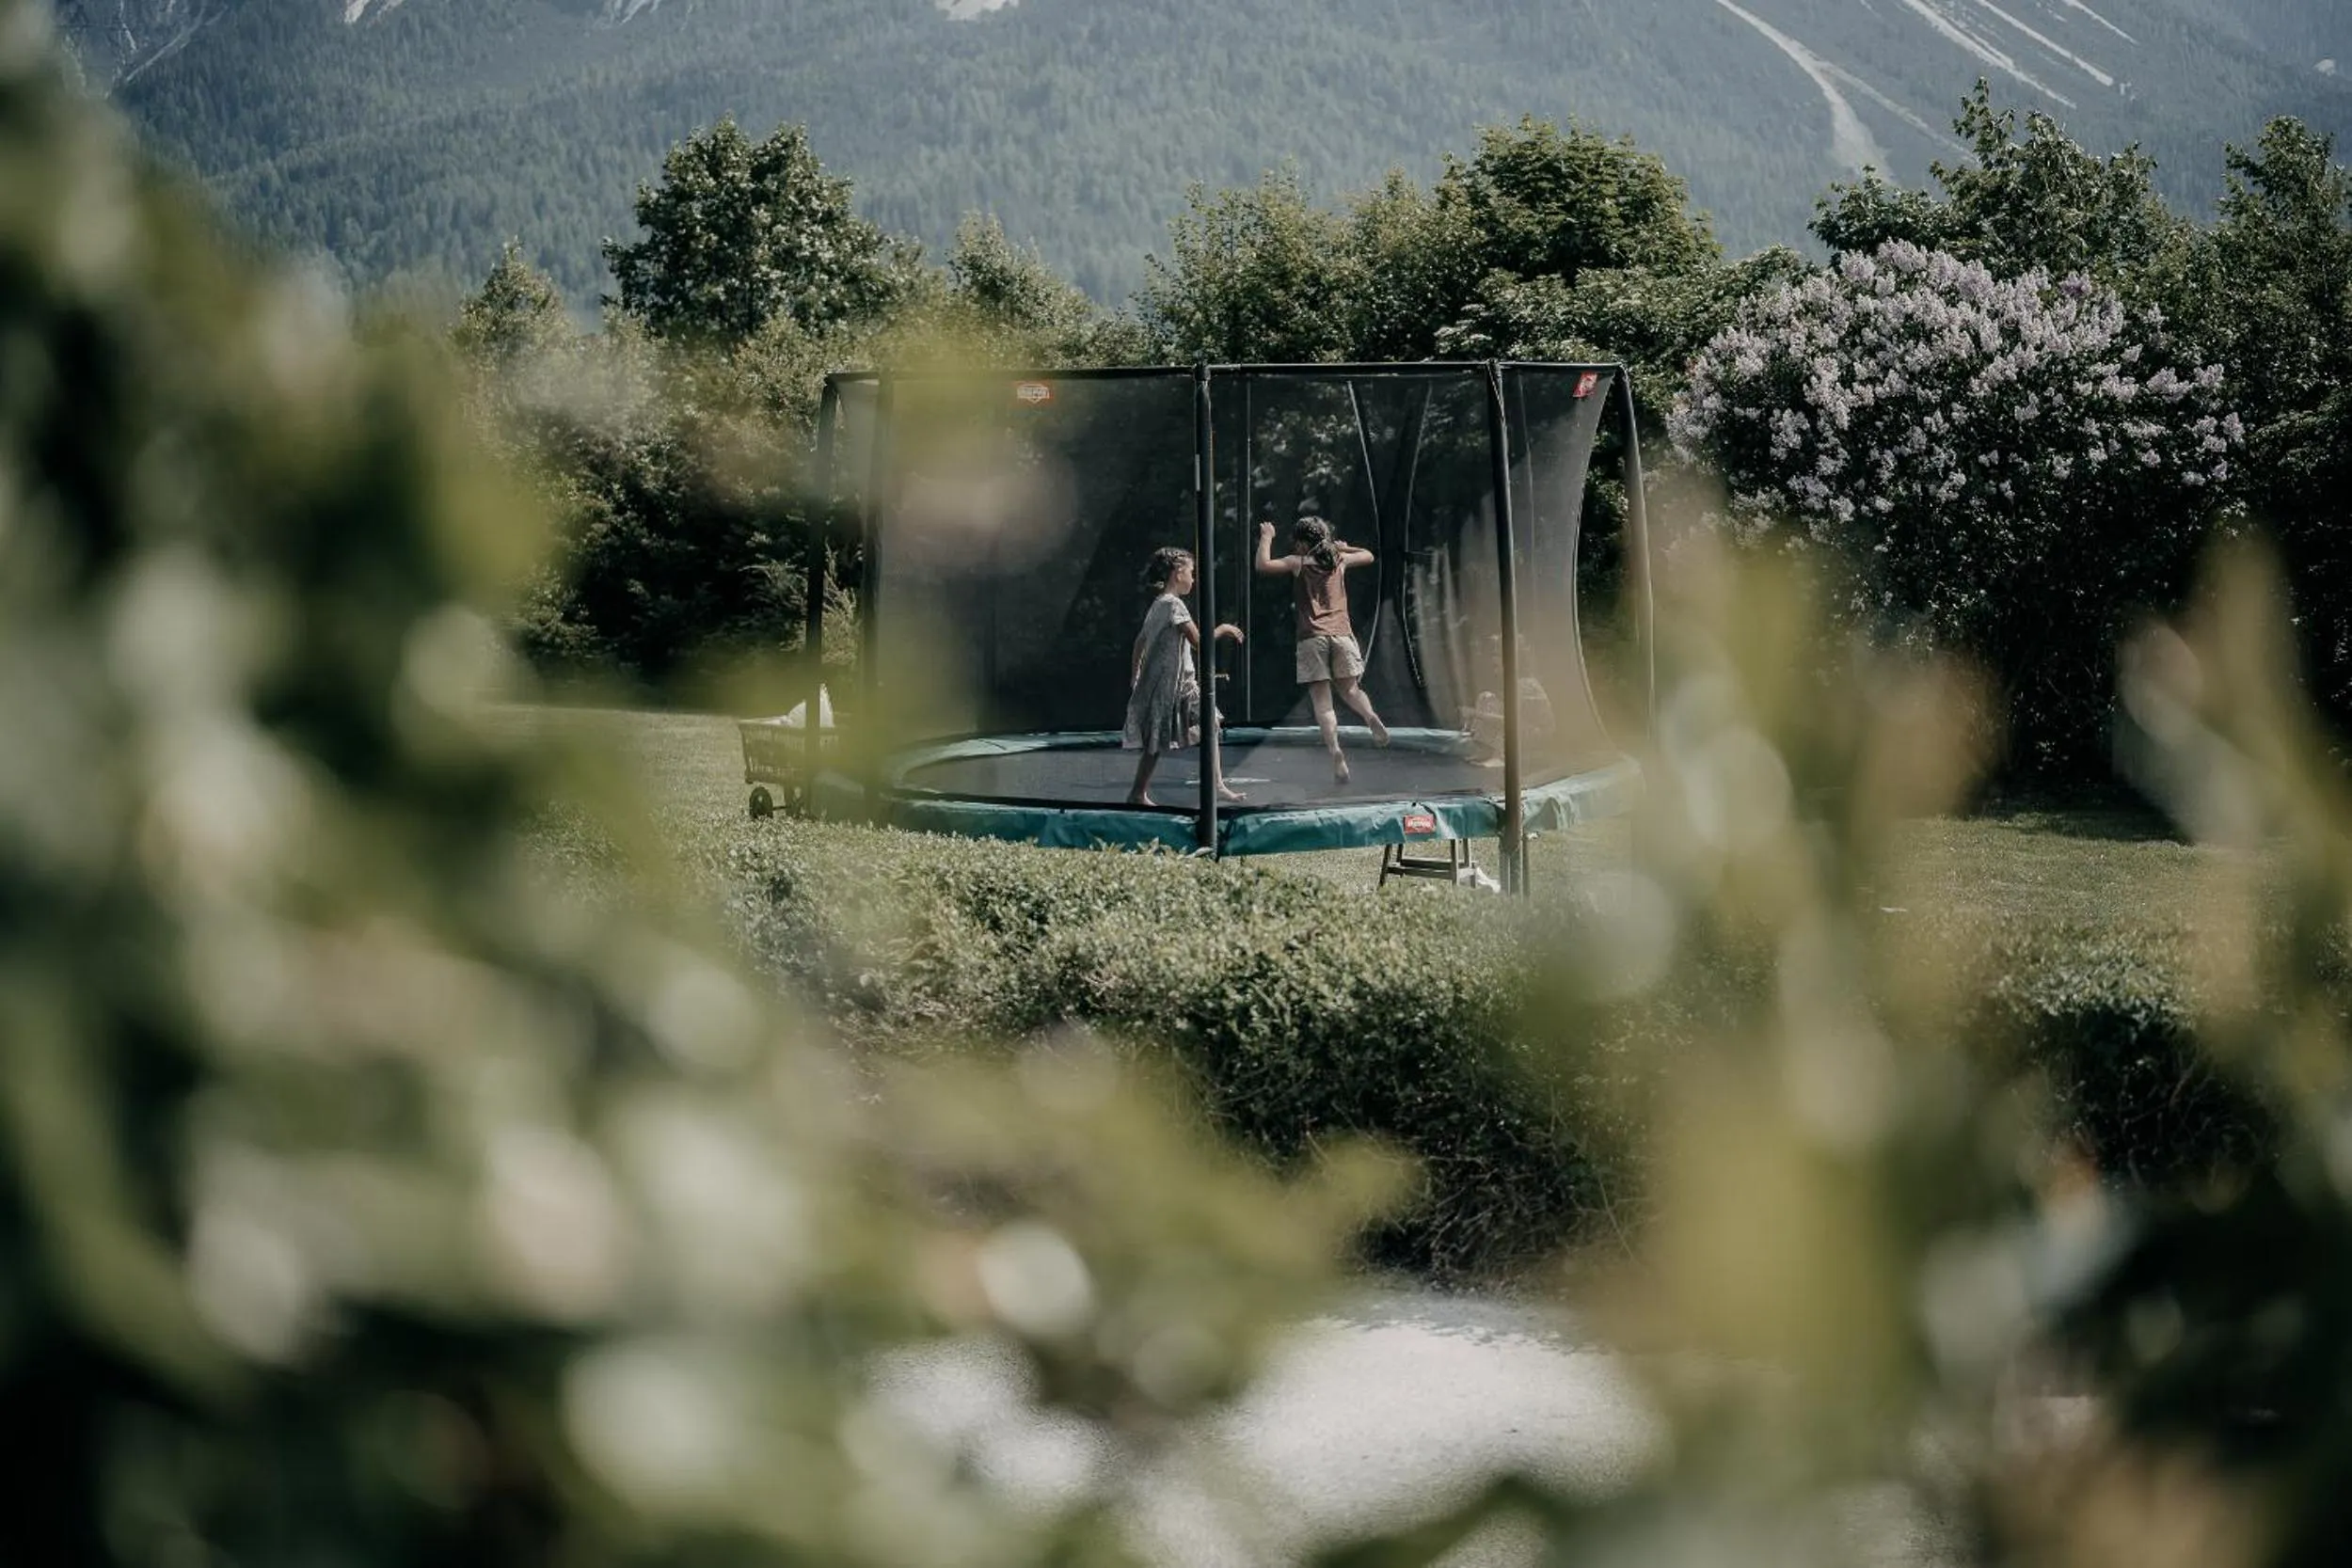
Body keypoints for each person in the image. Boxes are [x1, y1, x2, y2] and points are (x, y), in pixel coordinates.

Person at [1254, 516, 1389, 784]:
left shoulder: (1298, 562)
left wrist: (1267, 536)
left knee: (1323, 702)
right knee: (1351, 690)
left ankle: (1335, 751)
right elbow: (1369, 556)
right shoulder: (1339, 560)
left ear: (1303, 544)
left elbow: (1263, 565)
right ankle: (1370, 716)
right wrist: (1344, 547)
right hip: (1342, 635)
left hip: (1312, 638)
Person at [1123, 546, 1244, 806]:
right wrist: (1222, 629)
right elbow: (1199, 642)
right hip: (1175, 685)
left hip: (1174, 683)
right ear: (1178, 572)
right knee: (1162, 738)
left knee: (1185, 730)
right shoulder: (1174, 605)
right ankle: (1140, 792)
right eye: (1191, 572)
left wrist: (1136, 674)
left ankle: (1140, 791)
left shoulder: (1157, 605)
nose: (1193, 578)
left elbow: (1139, 641)